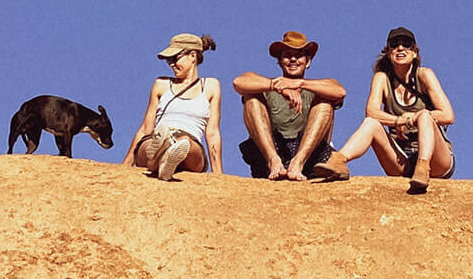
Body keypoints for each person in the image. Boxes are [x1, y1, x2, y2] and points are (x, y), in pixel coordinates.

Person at [315, 26, 454, 194]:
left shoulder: (424, 75)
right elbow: (371, 112)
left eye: (406, 44)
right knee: (371, 123)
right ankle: (338, 160)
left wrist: (414, 117)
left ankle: (423, 168)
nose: (400, 48)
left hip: (437, 161)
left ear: (415, 52)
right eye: (395, 44)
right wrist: (401, 120)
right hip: (403, 159)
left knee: (424, 115)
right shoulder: (382, 78)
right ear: (388, 52)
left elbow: (448, 115)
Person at [232, 30, 346, 181]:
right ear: (279, 61)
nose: (293, 59)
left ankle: (298, 163)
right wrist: (276, 86)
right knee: (252, 100)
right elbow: (239, 82)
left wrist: (300, 83)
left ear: (308, 61)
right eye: (287, 55)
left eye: (298, 55)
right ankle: (274, 161)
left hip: (311, 158)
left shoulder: (316, 88)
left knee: (325, 103)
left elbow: (339, 91)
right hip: (272, 154)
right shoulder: (267, 87)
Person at [123, 32, 223, 179]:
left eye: (175, 58)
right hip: (158, 135)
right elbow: (146, 128)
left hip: (189, 141)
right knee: (150, 144)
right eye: (168, 60)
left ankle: (166, 155)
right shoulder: (161, 84)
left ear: (193, 56)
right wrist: (124, 166)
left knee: (185, 143)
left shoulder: (211, 86)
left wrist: (218, 173)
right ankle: (162, 154)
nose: (171, 64)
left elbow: (212, 131)